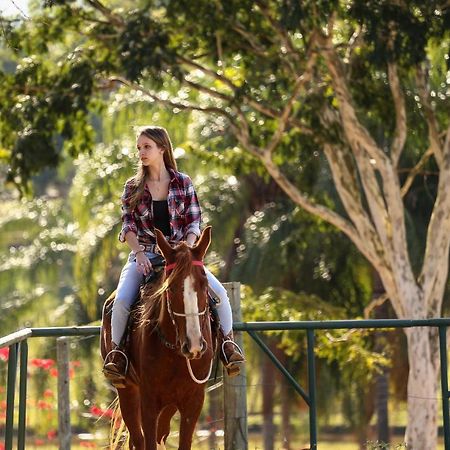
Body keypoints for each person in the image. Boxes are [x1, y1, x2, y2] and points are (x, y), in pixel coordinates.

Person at [102, 125, 245, 387]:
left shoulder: (183, 182)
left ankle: (227, 345)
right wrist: (138, 253)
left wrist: (187, 253)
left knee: (219, 294)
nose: (141, 153)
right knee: (120, 301)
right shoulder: (132, 187)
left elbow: (194, 223)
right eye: (139, 148)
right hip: (144, 256)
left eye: (146, 147)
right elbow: (127, 226)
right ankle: (117, 354)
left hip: (181, 259)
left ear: (162, 149)